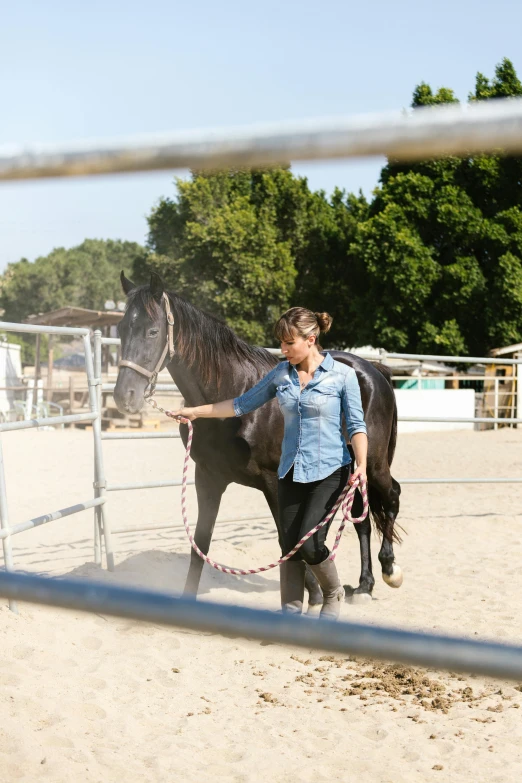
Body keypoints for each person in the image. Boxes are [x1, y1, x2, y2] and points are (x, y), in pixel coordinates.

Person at [171, 307, 368, 620]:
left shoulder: (342, 376)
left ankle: (332, 592)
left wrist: (362, 465)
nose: (283, 349)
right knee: (288, 543)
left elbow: (357, 425)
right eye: (281, 342)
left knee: (309, 542)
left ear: (311, 339)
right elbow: (240, 405)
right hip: (289, 470)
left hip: (331, 470)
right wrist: (196, 411)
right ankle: (290, 615)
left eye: (289, 343)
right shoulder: (281, 375)